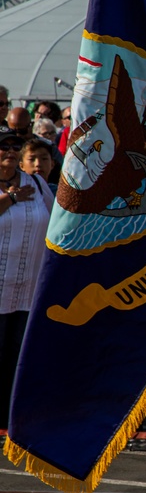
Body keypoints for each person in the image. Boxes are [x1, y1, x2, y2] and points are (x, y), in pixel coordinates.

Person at [0, 125, 55, 425]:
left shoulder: (36, 183)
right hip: (0, 284)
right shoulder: (15, 189)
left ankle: (11, 413)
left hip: (28, 286)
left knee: (17, 354)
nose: (9, 151)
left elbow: (55, 221)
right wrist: (11, 197)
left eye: (13, 147)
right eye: (3, 147)